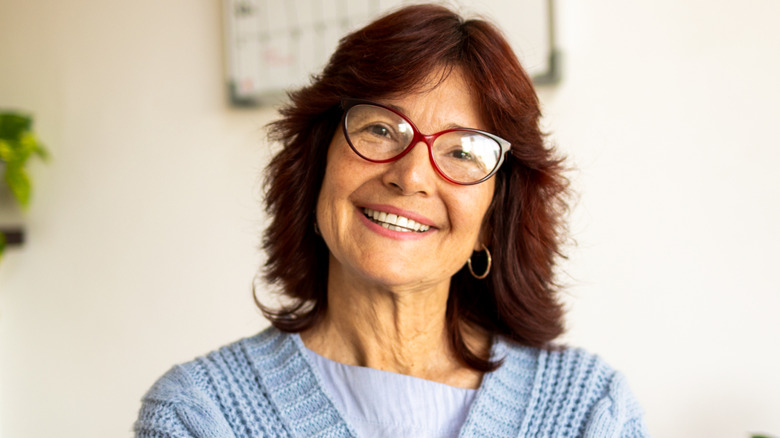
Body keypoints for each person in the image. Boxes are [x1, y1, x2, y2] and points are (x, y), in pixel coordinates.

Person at [135, 4, 649, 437]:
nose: (411, 176)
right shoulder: (200, 414)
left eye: (462, 152)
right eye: (380, 129)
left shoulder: (589, 410)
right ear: (317, 168)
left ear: (494, 218)